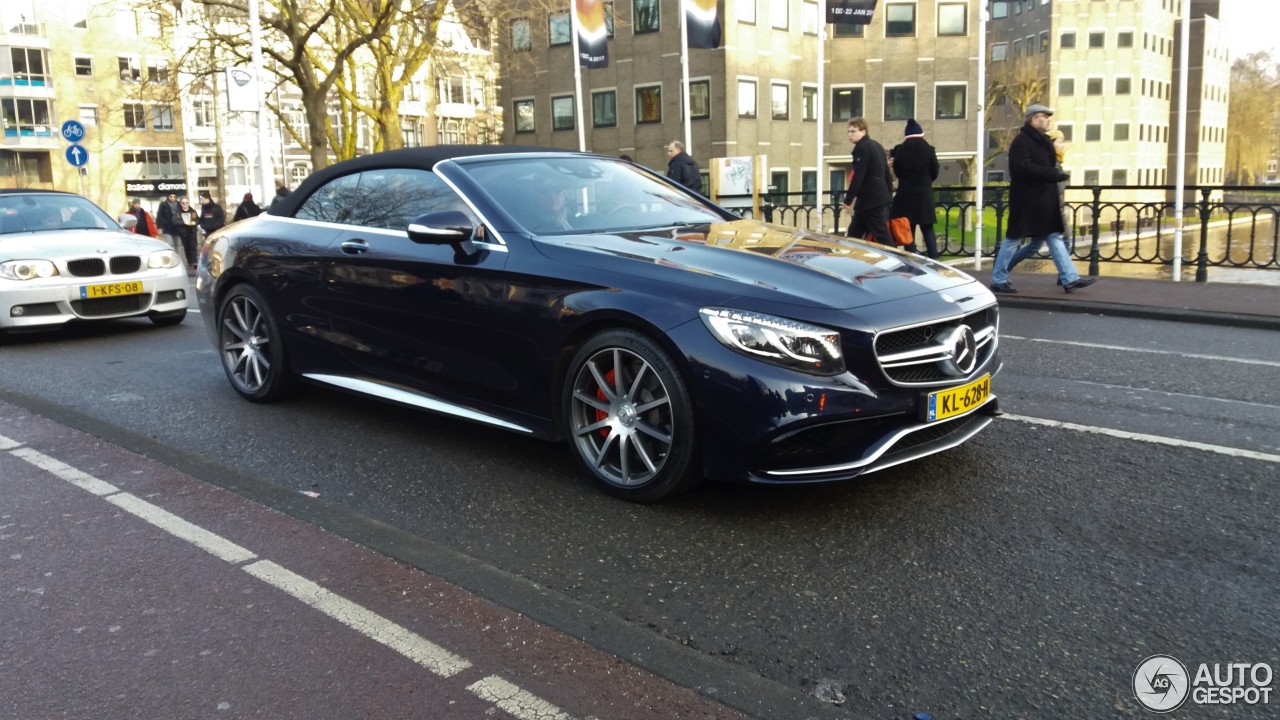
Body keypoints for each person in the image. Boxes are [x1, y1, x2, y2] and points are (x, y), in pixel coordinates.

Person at [990, 104, 1097, 294]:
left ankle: (1069, 278)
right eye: (1044, 116)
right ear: (1033, 118)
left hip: (1043, 201)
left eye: (1049, 117)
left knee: (1053, 236)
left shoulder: (1043, 141)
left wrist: (1054, 175)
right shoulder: (1021, 141)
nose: (1048, 119)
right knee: (1013, 239)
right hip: (1026, 201)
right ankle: (998, 278)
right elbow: (1020, 168)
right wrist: (1052, 174)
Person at [889, 118, 940, 259]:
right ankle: (934, 260)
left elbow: (897, 172)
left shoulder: (899, 151)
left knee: (907, 229)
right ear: (921, 134)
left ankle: (911, 259)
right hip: (924, 195)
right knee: (928, 229)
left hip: (905, 195)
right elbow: (935, 171)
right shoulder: (929, 150)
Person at [840, 117, 893, 245]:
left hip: (870, 200)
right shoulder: (877, 145)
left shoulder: (861, 148)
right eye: (848, 132)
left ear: (863, 131)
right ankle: (851, 258)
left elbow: (858, 177)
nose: (850, 135)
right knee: (855, 233)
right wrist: (889, 192)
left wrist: (848, 199)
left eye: (853, 131)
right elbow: (886, 173)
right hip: (876, 198)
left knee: (881, 235)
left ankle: (898, 260)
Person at [174, 197, 200, 269]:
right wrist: (184, 223)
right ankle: (190, 262)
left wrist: (194, 222)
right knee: (186, 247)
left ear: (188, 203)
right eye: (183, 203)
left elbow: (198, 220)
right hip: (183, 232)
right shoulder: (178, 212)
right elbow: (175, 221)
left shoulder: (193, 211)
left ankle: (194, 262)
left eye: (186, 203)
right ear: (181, 204)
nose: (185, 204)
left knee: (193, 247)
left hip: (192, 231)